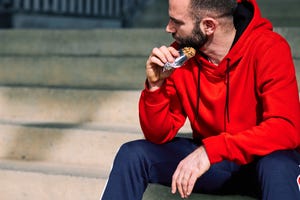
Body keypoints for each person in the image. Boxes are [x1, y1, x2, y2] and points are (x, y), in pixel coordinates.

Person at [101, 0, 300, 199]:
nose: (168, 27)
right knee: (134, 154)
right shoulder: (182, 56)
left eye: (176, 22)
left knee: (278, 164)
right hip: (214, 164)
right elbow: (158, 135)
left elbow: (286, 129)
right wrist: (156, 87)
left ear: (208, 26)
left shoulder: (269, 47)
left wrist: (211, 150)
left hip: (260, 162)